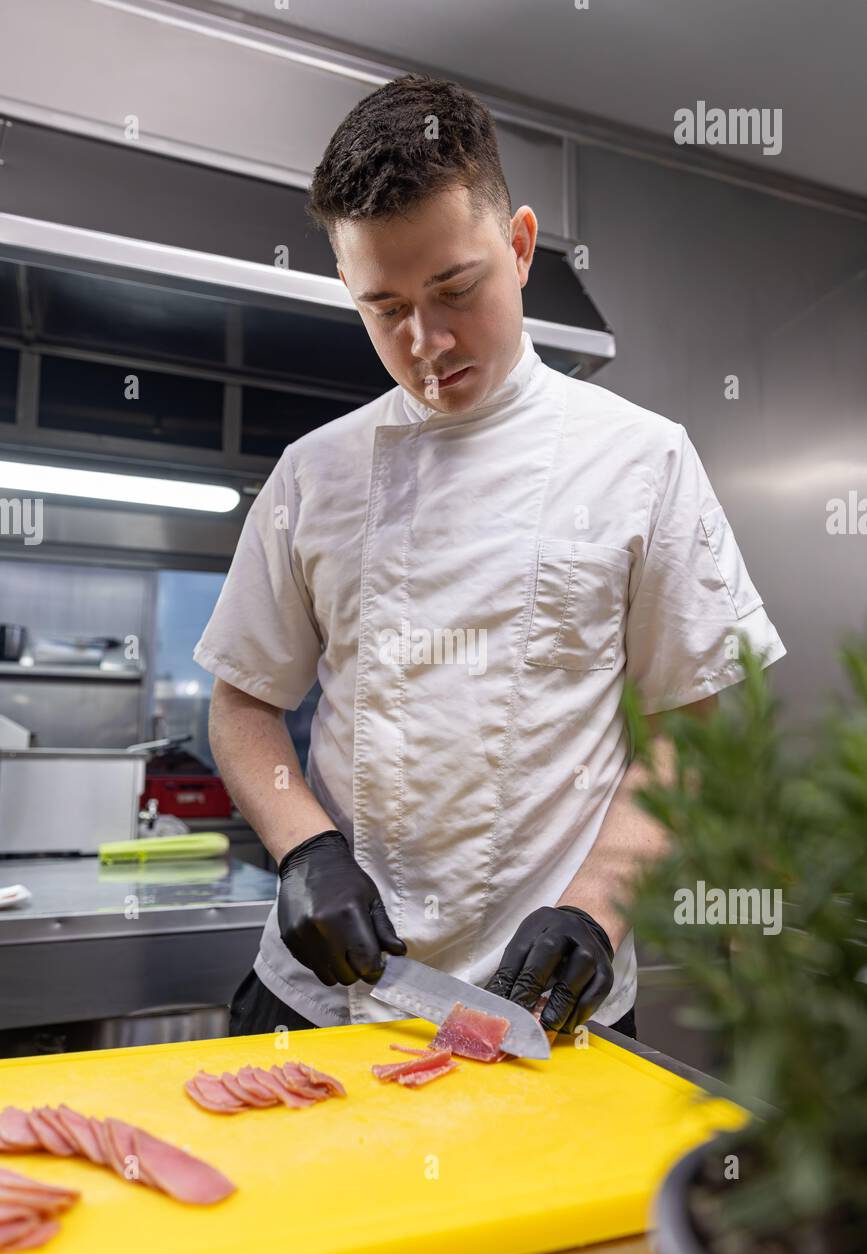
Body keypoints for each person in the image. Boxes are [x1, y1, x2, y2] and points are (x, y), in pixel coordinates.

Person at [193, 74, 786, 1044]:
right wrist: (303, 847)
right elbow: (244, 701)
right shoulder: (313, 474)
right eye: (383, 308)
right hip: (324, 996)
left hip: (550, 1002)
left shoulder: (643, 460)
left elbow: (698, 724)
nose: (425, 344)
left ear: (518, 247)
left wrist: (598, 903)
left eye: (454, 290)